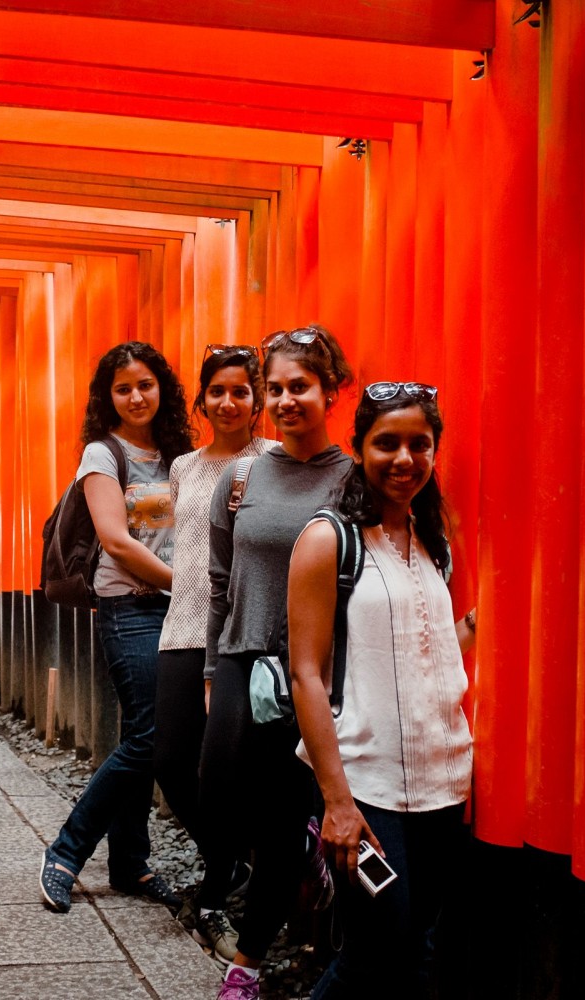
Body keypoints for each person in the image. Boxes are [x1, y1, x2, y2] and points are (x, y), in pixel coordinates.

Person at [286, 382, 477, 999]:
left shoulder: (433, 542)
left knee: (418, 948)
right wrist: (336, 802)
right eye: (387, 443)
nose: (404, 459)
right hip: (365, 790)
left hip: (443, 785)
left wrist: (476, 627)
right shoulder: (329, 541)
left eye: (420, 445)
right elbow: (306, 673)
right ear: (360, 449)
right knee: (374, 949)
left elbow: (421, 644)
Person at [204, 325, 354, 999]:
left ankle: (250, 961)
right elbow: (216, 578)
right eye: (278, 389)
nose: (287, 400)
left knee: (274, 818)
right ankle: (306, 850)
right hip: (244, 656)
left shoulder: (353, 480)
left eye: (301, 387)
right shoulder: (241, 477)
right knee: (220, 791)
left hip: (314, 672)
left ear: (330, 392)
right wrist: (211, 668)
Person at [38, 341, 195, 914]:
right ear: (109, 397)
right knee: (151, 736)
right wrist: (185, 583)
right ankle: (66, 851)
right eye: (123, 388)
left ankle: (130, 863)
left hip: (177, 606)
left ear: (163, 389)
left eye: (145, 384)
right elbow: (116, 540)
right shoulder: (103, 455)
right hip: (130, 605)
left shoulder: (183, 453)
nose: (135, 396)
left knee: (141, 733)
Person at [152, 344, 268, 962]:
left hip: (239, 631)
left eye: (241, 391)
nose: (229, 402)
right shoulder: (184, 467)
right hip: (182, 623)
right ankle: (230, 866)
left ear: (257, 401)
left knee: (224, 770)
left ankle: (225, 880)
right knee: (171, 761)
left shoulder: (271, 461)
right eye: (217, 392)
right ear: (202, 400)